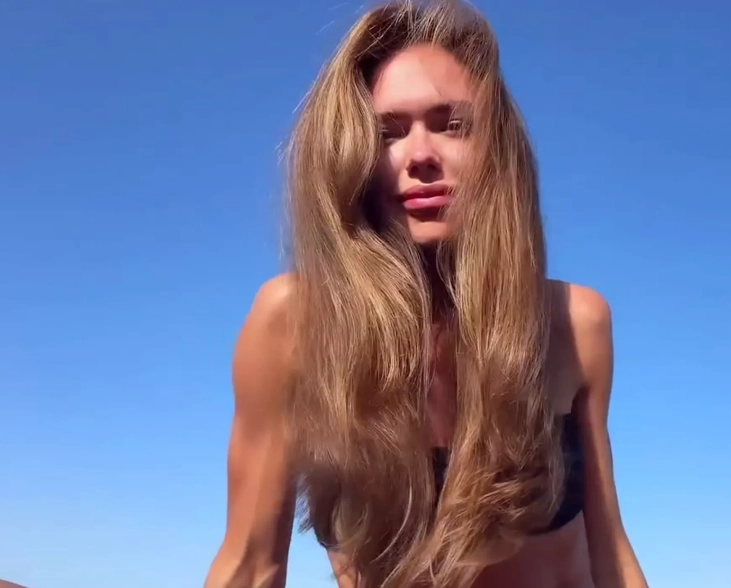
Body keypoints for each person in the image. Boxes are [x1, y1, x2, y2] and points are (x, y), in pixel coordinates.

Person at [204, 1, 648, 587]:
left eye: (452, 125)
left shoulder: (573, 323)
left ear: (499, 147)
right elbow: (250, 563)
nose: (420, 157)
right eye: (388, 133)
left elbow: (611, 552)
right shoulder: (295, 324)